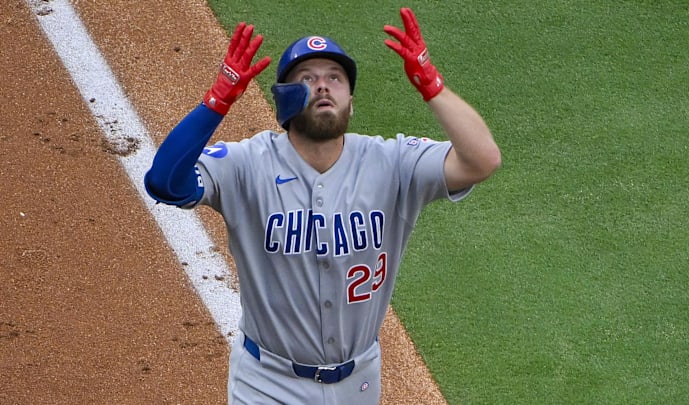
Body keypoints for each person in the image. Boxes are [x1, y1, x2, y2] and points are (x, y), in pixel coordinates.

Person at [145, 7, 500, 405]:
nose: (324, 86)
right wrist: (217, 101)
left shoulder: (392, 162)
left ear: (350, 99)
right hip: (267, 382)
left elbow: (482, 160)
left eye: (335, 78)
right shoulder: (246, 164)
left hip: (359, 382)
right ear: (284, 98)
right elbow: (164, 182)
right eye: (307, 79)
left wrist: (432, 85)